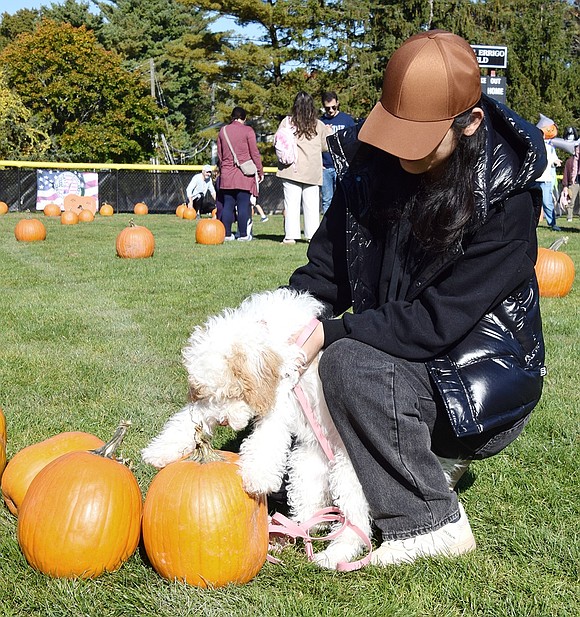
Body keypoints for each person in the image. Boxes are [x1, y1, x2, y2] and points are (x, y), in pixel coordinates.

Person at [287, 30, 546, 566]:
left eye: (419, 138)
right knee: (315, 370)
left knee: (347, 364)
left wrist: (330, 333)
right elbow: (323, 273)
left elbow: (434, 324)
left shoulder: (507, 202)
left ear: (470, 124)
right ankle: (399, 451)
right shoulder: (367, 170)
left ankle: (431, 523)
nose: (399, 151)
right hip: (400, 357)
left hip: (474, 383)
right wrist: (276, 326)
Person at [276, 91, 329, 244]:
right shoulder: (319, 125)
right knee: (311, 205)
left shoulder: (287, 122)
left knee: (291, 205)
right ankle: (312, 236)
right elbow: (325, 146)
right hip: (312, 170)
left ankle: (290, 236)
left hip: (291, 169)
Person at [217, 106, 263, 241]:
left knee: (228, 205)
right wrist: (260, 170)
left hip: (227, 172)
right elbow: (254, 152)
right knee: (243, 205)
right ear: (244, 118)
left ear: (232, 117)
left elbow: (220, 154)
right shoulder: (248, 130)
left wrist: (223, 167)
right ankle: (243, 234)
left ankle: (226, 234)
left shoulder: (223, 131)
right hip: (244, 174)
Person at [320, 91, 355, 214]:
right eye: (327, 108)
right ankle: (328, 231)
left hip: (342, 167)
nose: (330, 110)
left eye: (333, 107)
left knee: (343, 200)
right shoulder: (320, 122)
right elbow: (315, 145)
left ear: (338, 103)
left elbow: (353, 144)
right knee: (327, 200)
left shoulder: (347, 121)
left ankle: (342, 229)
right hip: (326, 167)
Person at [535, 114, 562, 231]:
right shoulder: (536, 142)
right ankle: (532, 223)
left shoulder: (551, 146)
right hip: (535, 178)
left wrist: (556, 161)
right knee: (533, 203)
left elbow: (553, 158)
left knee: (547, 202)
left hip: (546, 179)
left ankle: (552, 223)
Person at [560, 127, 579, 222]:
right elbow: (566, 173)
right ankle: (569, 217)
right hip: (574, 182)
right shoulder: (569, 161)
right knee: (571, 201)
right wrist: (565, 185)